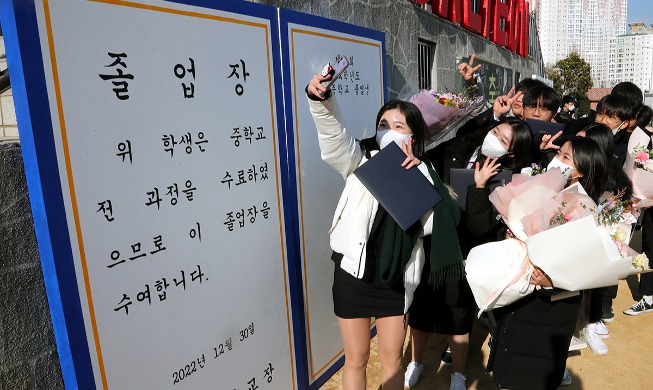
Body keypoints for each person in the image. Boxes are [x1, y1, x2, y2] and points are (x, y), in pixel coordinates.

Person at [305, 71, 463, 390]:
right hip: (352, 273)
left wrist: (419, 175)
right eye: (383, 125)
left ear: (413, 137)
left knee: (392, 361)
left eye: (398, 126)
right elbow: (334, 139)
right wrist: (320, 102)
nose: (388, 132)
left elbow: (437, 224)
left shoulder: (425, 172)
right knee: (357, 360)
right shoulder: (361, 159)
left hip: (396, 279)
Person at [405, 116, 534, 390]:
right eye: (495, 131)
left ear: (510, 152)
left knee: (458, 315)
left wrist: (478, 187)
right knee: (420, 310)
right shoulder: (462, 148)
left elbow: (481, 228)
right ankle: (415, 362)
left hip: (466, 253)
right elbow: (434, 160)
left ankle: (459, 374)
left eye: (501, 139)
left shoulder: (508, 179)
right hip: (434, 240)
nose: (493, 137)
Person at [487, 136, 608, 390]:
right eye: (559, 153)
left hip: (549, 312)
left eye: (565, 158)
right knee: (508, 366)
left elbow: (587, 272)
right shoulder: (539, 191)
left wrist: (553, 281)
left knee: (532, 376)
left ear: (581, 171)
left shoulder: (585, 210)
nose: (556, 159)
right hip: (519, 300)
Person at [572, 123, 634, 355]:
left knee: (596, 281)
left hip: (598, 234)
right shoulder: (577, 168)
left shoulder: (611, 173)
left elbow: (624, 196)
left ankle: (591, 324)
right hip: (573, 233)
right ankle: (574, 329)